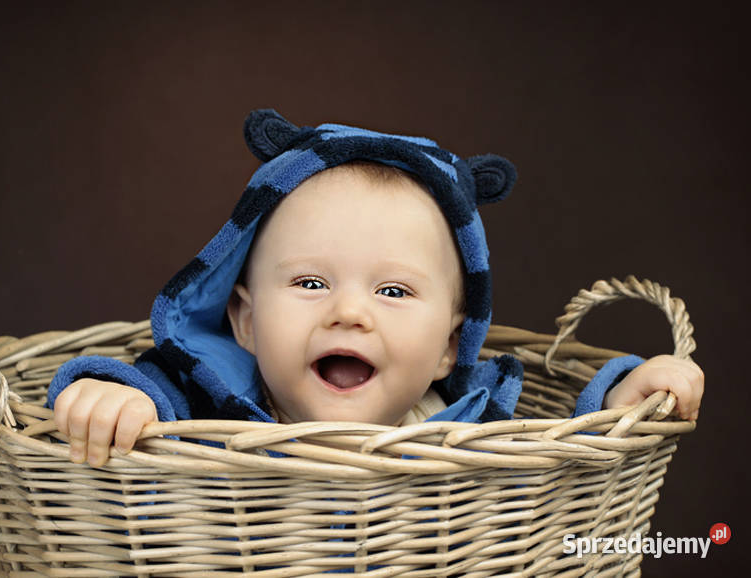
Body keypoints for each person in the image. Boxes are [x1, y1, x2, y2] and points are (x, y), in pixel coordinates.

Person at [47, 109, 704, 467]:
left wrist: (620, 393)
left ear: (450, 346)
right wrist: (109, 396)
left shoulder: (471, 428)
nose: (349, 312)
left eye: (392, 291)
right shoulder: (205, 396)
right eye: (309, 281)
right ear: (244, 322)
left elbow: (567, 451)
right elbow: (143, 387)